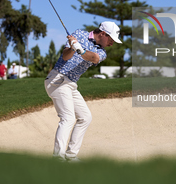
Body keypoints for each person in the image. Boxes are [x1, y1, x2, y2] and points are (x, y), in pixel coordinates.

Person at [44, 21, 122, 162]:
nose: (112, 43)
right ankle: (58, 158)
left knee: (85, 117)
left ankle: (71, 155)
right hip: (58, 79)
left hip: (71, 84)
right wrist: (73, 47)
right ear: (103, 34)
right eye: (111, 39)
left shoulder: (101, 52)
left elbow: (94, 58)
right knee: (68, 118)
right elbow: (66, 56)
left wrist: (81, 49)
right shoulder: (79, 34)